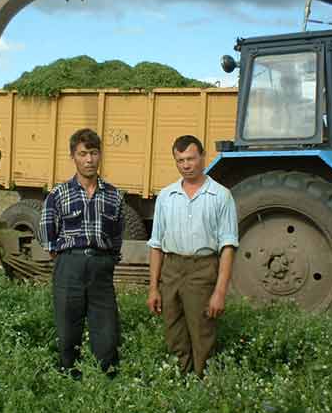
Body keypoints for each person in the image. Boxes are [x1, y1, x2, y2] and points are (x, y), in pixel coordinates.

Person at [146, 135, 238, 376]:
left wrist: (219, 292)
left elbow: (228, 247)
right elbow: (156, 245)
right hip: (172, 268)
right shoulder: (166, 197)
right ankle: (182, 384)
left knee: (202, 333)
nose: (186, 165)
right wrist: (153, 287)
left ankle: (203, 386)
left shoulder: (221, 196)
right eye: (180, 160)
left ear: (202, 157)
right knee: (174, 331)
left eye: (191, 159)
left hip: (203, 269)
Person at [40, 128, 124, 378]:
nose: (89, 160)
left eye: (94, 153)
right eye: (83, 154)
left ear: (100, 156)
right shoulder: (58, 194)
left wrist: (106, 260)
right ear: (73, 157)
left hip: (101, 268)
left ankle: (107, 380)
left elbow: (117, 236)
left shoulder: (114, 195)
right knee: (68, 329)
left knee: (107, 332)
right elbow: (47, 234)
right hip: (69, 267)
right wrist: (68, 258)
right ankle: (69, 378)